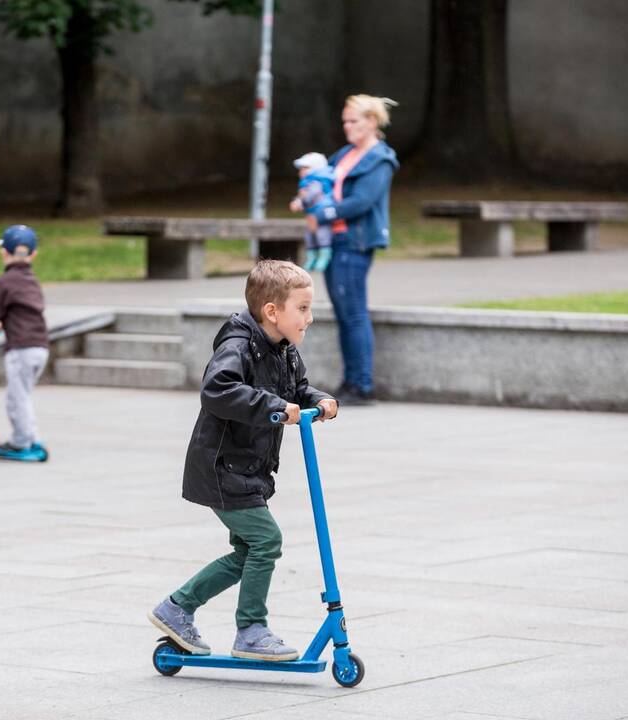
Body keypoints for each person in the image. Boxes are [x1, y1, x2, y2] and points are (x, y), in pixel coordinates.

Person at [148, 260, 338, 661]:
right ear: (273, 311)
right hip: (222, 469)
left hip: (248, 469)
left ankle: (177, 607)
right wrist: (273, 407)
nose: (310, 318)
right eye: (302, 308)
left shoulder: (283, 351)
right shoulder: (238, 345)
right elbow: (217, 389)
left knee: (248, 550)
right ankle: (251, 630)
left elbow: (296, 390)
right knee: (265, 541)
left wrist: (316, 400)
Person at [311, 95, 400, 406]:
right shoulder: (345, 155)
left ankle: (361, 385)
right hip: (334, 241)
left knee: (353, 314)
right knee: (343, 313)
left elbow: (362, 201)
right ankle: (350, 382)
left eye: (354, 121)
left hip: (355, 242)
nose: (347, 127)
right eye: (345, 122)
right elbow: (322, 182)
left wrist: (324, 213)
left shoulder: (380, 159)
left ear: (372, 122)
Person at [0, 225, 50, 455]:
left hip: (21, 349)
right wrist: (1, 324)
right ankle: (31, 437)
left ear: (3, 253)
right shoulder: (32, 281)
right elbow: (21, 310)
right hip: (40, 346)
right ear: (33, 255)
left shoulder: (4, 282)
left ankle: (21, 441)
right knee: (23, 395)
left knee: (16, 399)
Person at [291, 152, 336, 272]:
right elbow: (303, 196)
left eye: (304, 168)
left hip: (322, 213)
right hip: (311, 214)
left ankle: (324, 256)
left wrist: (300, 201)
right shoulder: (306, 183)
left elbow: (311, 195)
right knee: (310, 235)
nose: (300, 171)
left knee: (322, 234)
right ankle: (312, 256)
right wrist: (298, 200)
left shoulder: (317, 182)